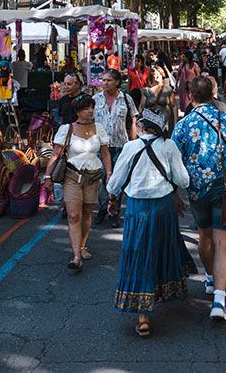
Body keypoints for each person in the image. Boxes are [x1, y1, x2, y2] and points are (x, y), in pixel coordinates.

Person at [106, 108, 194, 337]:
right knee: (163, 249)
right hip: (163, 208)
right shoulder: (168, 146)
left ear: (141, 126)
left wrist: (113, 197)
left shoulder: (130, 147)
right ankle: (166, 290)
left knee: (138, 254)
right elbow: (183, 180)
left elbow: (114, 184)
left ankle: (143, 316)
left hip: (137, 209)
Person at [171, 76, 226, 322]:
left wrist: (175, 193)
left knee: (204, 237)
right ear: (214, 94)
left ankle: (209, 275)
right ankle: (219, 298)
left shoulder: (182, 126)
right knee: (223, 242)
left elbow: (173, 163)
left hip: (196, 190)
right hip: (224, 187)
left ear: (191, 96)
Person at [42, 95, 113, 270]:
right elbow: (56, 154)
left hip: (93, 176)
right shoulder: (67, 129)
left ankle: (82, 246)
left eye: (91, 107)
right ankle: (75, 256)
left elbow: (105, 153)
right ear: (77, 111)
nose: (90, 111)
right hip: (72, 176)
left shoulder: (99, 128)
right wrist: (48, 176)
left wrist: (109, 173)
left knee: (88, 213)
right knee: (74, 216)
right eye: (86, 108)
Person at [94, 69, 138, 226]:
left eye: (109, 80)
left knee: (117, 180)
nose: (105, 83)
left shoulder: (126, 99)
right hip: (100, 147)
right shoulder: (96, 99)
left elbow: (133, 120)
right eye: (103, 80)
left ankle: (114, 211)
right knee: (102, 179)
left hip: (121, 145)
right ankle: (102, 207)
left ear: (117, 82)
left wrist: (134, 142)